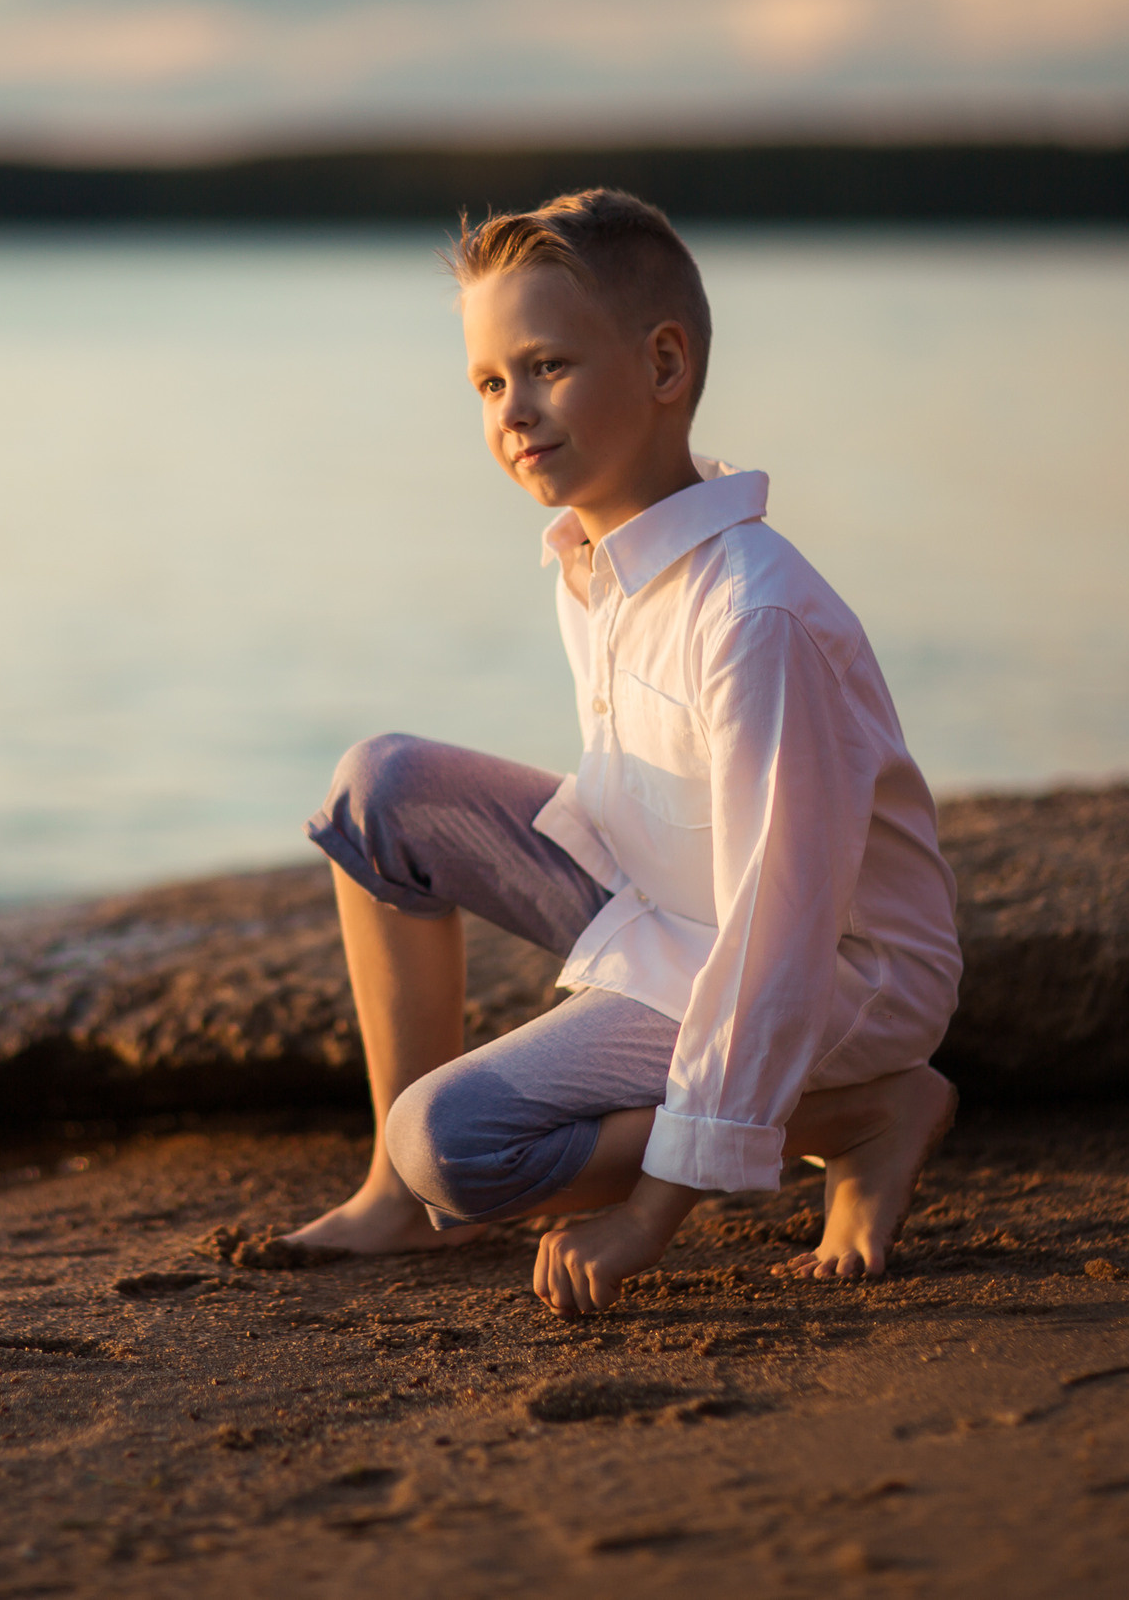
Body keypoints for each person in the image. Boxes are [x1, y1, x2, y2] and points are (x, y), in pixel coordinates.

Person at [284, 189, 964, 1316]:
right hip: (669, 908)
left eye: (546, 366)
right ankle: (390, 1198)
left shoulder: (753, 617)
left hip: (831, 972)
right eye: (490, 384)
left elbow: (776, 930)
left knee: (450, 1143)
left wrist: (654, 1209)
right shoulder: (592, 561)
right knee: (380, 789)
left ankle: (867, 1113)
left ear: (663, 367)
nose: (513, 411)